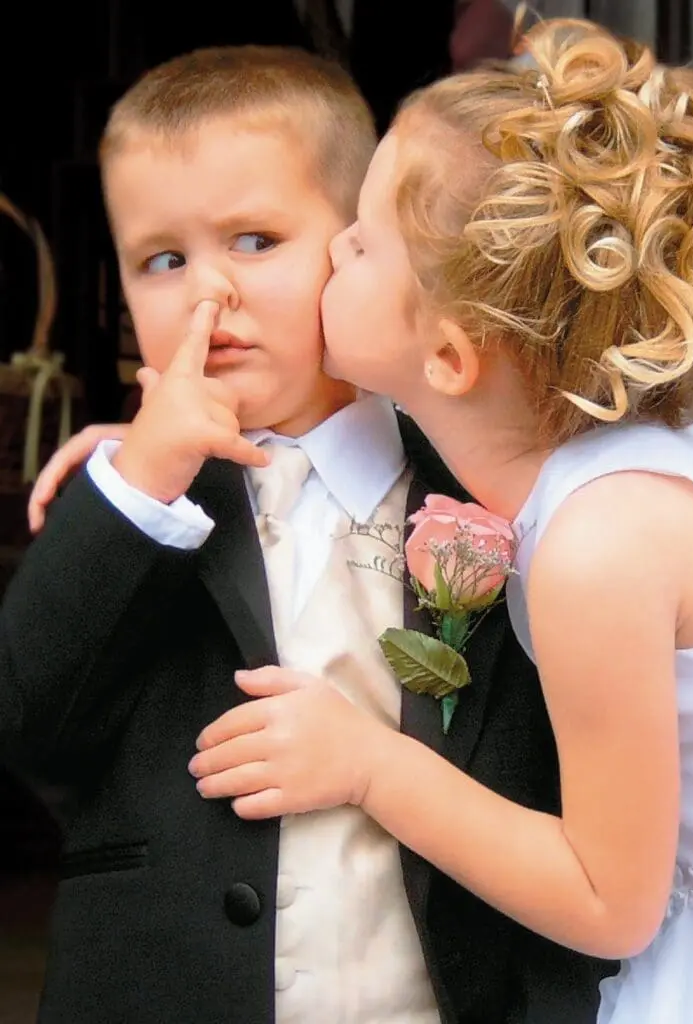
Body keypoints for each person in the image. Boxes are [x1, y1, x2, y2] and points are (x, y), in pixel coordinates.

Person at [101, 16, 693, 1024]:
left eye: (358, 241)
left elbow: (610, 901)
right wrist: (139, 450)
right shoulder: (591, 440)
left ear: (446, 357)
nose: (332, 251)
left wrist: (368, 763)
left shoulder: (600, 549)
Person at [1, 42, 611, 1024]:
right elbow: (27, 720)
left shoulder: (482, 479)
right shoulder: (123, 498)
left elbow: (554, 774)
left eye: (255, 241)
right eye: (163, 261)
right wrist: (138, 487)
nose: (209, 295)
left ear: (359, 246)